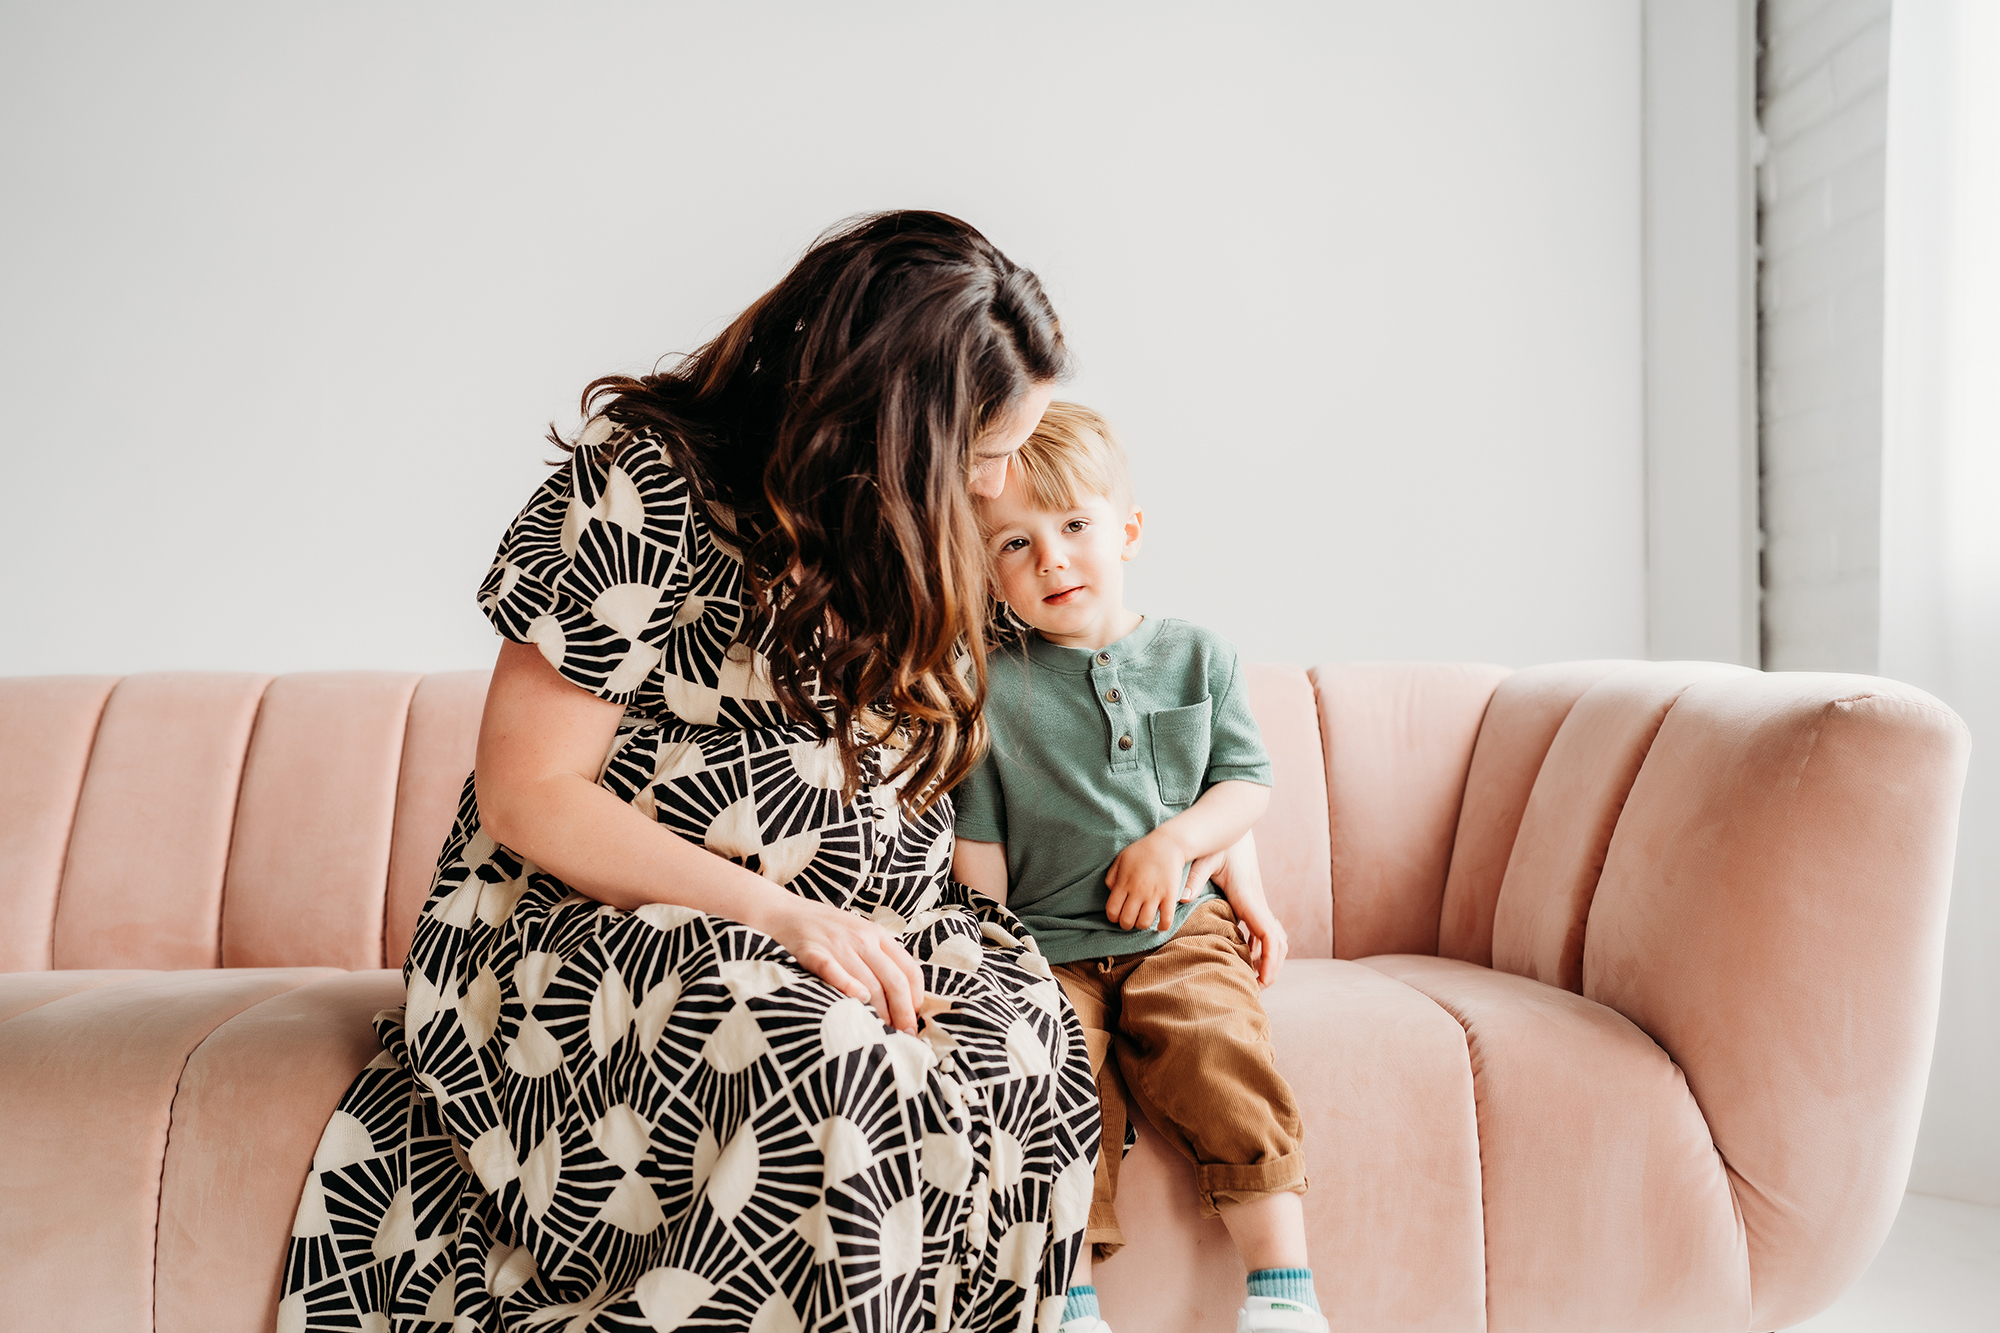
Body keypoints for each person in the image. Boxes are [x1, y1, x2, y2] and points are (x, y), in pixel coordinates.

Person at [280, 212, 1101, 1333]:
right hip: (606, 930)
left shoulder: (912, 516)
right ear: (886, 425)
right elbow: (531, 792)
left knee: (1023, 1042)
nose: (1001, 481)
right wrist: (782, 916)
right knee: (829, 1067)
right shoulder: (643, 483)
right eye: (984, 449)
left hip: (868, 929)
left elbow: (1104, 680)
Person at [951, 404, 1327, 1333]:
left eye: (1074, 526)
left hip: (1178, 928)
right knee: (1047, 1085)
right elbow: (979, 854)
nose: (1051, 559)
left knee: (1222, 1047)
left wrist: (1190, 855)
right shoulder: (990, 688)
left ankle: (1283, 1291)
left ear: (1128, 530)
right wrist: (986, 962)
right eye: (1013, 543)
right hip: (1048, 952)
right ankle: (1070, 1302)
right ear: (987, 573)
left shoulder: (1199, 656)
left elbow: (1241, 784)